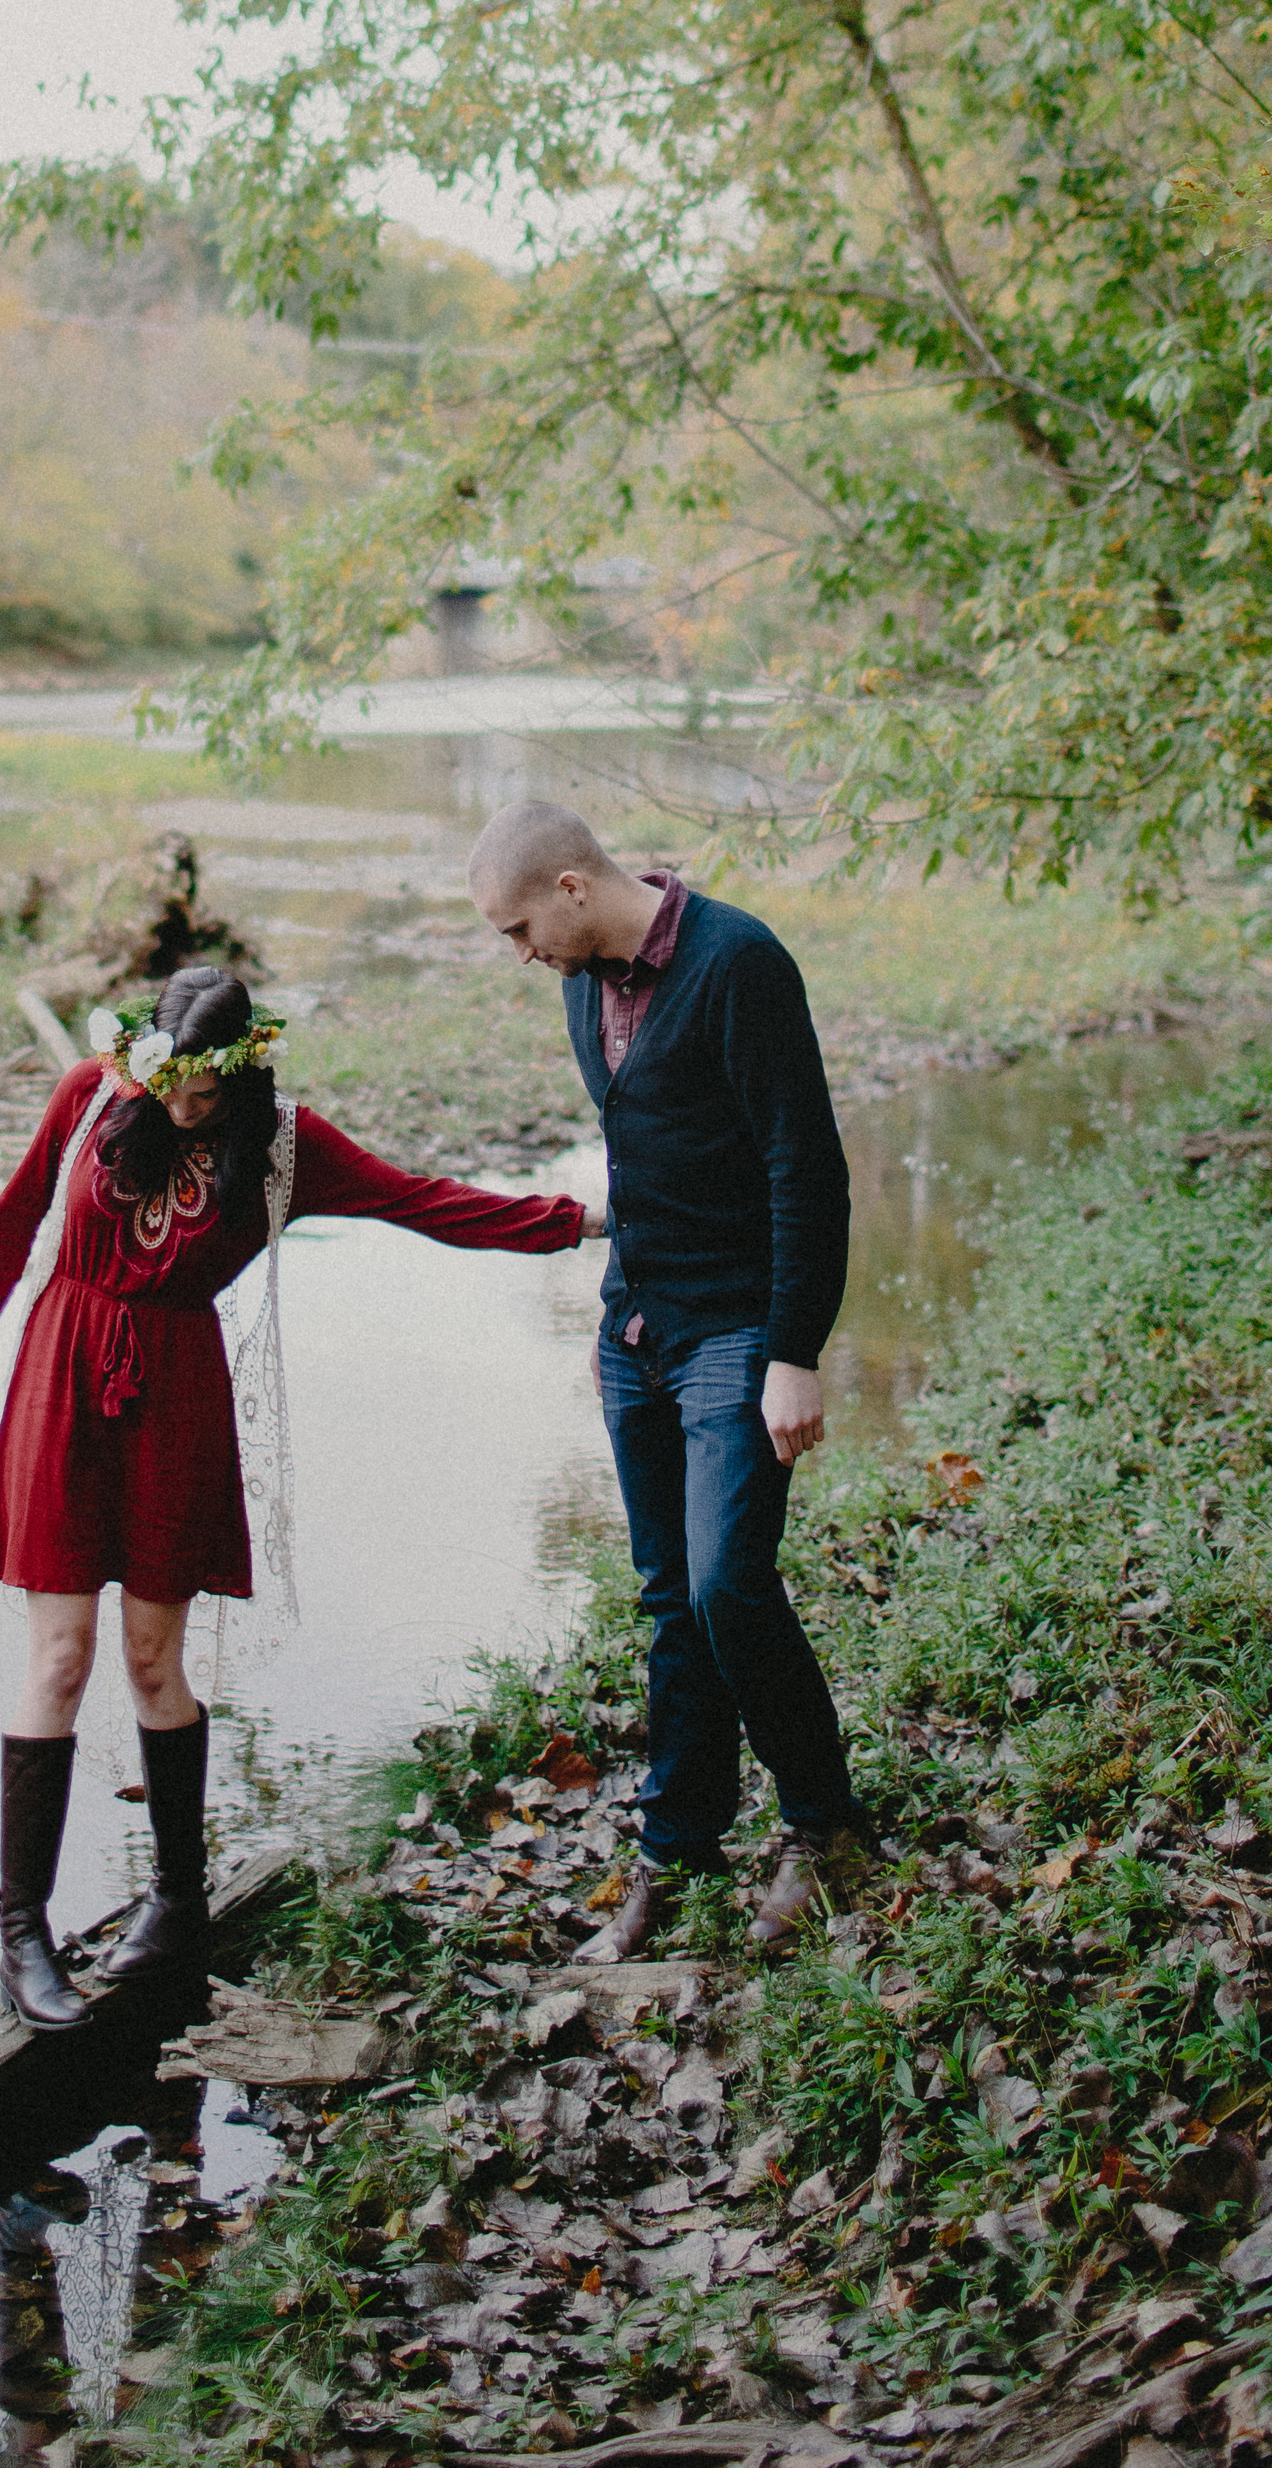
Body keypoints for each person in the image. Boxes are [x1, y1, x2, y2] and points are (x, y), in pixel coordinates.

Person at [0, 960, 592, 2026]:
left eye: (203, 1096)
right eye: (169, 1087)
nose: (180, 1109)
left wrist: (576, 1225)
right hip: (63, 1374)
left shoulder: (285, 1148)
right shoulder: (92, 1094)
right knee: (57, 1655)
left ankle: (177, 1901)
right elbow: (15, 1219)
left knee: (151, 1658)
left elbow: (422, 1201)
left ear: (243, 1077)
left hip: (176, 1394)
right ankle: (22, 1935)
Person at [467, 800, 877, 1955]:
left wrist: (794, 1349)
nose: (519, 956)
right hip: (632, 1330)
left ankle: (823, 1824)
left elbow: (808, 1166)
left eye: (516, 929)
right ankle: (675, 1851)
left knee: (726, 1587)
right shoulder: (579, 979)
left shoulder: (737, 962)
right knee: (667, 1603)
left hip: (738, 1334)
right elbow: (648, 1142)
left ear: (570, 888)